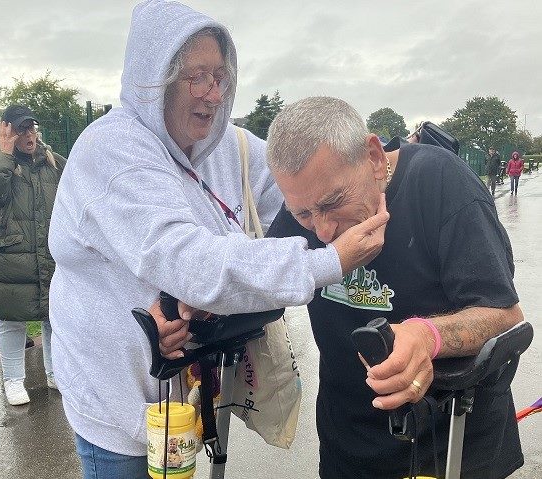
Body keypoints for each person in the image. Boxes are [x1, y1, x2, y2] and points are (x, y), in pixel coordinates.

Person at [47, 2, 388, 478]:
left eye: (221, 77)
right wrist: (327, 262)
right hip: (118, 404)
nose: (212, 92)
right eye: (196, 76)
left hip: (188, 384)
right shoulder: (111, 152)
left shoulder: (231, 146)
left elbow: (302, 184)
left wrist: (384, 168)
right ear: (155, 80)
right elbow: (188, 260)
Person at [264, 97, 525, 478]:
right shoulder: (306, 207)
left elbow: (504, 314)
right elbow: (264, 284)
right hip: (349, 447)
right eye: (303, 213)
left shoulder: (441, 182)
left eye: (333, 203)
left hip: (454, 443)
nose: (321, 232)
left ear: (372, 156)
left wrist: (427, 335)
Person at [0, 104, 65, 406]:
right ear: (7, 131)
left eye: (31, 128)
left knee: (54, 318)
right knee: (12, 320)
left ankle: (55, 373)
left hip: (49, 253)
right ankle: (13, 380)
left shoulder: (53, 162)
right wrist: (4, 153)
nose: (29, 134)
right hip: (11, 254)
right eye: (21, 129)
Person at [0, 198, 35, 353]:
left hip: (30, 234)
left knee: (23, 288)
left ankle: (21, 333)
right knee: (4, 289)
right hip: (4, 237)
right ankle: (0, 336)